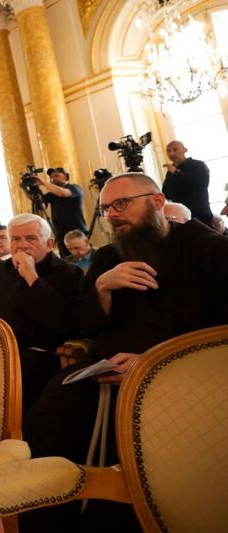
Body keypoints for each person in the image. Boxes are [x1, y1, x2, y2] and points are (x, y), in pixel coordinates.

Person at [22, 172, 228, 532]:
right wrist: (102, 289)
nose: (112, 215)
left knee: (128, 453)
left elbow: (218, 337)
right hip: (103, 374)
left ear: (157, 202)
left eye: (121, 204)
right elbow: (80, 325)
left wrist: (151, 366)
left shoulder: (211, 250)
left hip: (180, 382)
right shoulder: (107, 258)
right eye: (106, 209)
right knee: (46, 417)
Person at [0, 214, 85, 413]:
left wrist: (31, 276)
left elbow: (65, 324)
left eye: (31, 238)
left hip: (43, 363)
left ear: (49, 244)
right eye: (16, 239)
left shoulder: (69, 274)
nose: (22, 245)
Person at [30, 167, 87, 257]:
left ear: (66, 176)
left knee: (81, 257)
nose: (53, 179)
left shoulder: (74, 188)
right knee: (66, 260)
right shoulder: (53, 193)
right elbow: (39, 202)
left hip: (76, 231)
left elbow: (63, 193)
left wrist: (43, 182)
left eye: (56, 175)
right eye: (52, 177)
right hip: (60, 234)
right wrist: (25, 188)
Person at [162, 140, 212, 225]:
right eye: (168, 151)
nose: (171, 153)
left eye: (175, 149)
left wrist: (176, 173)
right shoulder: (170, 172)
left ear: (185, 150)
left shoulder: (198, 165)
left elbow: (201, 183)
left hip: (199, 214)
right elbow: (166, 192)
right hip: (179, 217)